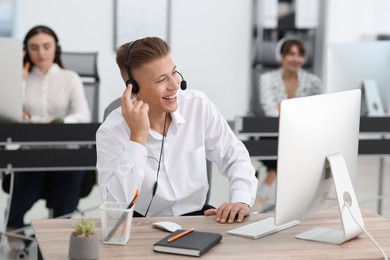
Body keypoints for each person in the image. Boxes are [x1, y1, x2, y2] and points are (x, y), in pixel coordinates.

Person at [96, 37, 257, 224]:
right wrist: (137, 138)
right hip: (142, 226)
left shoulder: (198, 105)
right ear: (133, 88)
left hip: (197, 220)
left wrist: (241, 199)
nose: (175, 85)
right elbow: (115, 210)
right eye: (162, 80)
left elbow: (235, 156)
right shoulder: (112, 131)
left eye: (174, 72)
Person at [6, 25, 91, 249]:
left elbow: (83, 115)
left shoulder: (69, 78)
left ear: (56, 49)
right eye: (34, 48)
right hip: (32, 154)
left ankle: (56, 240)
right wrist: (21, 78)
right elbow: (10, 114)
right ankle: (15, 234)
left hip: (66, 154)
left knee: (66, 195)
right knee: (21, 197)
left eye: (46, 46)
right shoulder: (19, 79)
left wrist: (56, 123)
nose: (41, 53)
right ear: (26, 51)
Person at [256, 37, 322, 209]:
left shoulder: (313, 81)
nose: (296, 59)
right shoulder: (267, 79)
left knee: (291, 146)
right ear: (282, 56)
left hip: (302, 133)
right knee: (285, 146)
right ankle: (280, 195)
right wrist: (296, 113)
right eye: (291, 54)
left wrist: (285, 110)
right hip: (274, 132)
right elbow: (269, 108)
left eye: (300, 54)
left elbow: (318, 108)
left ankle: (262, 192)